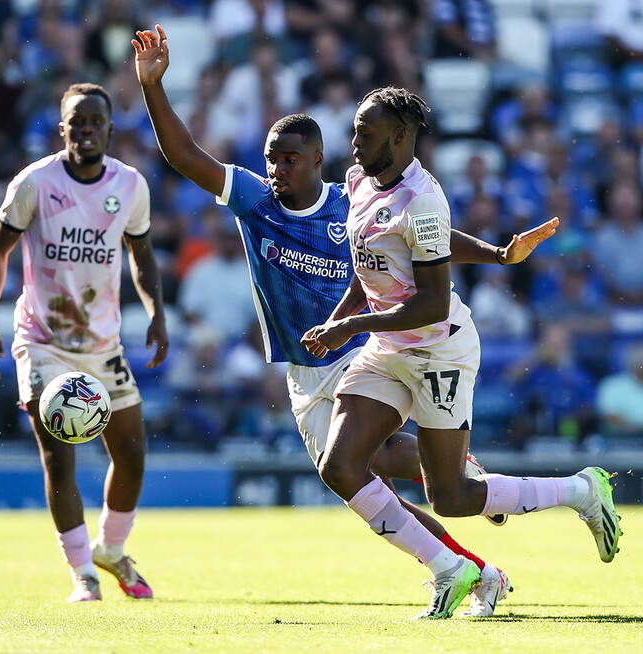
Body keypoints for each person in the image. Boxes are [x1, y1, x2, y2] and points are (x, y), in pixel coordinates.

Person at [133, 26, 557, 618]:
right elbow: (184, 156)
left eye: (290, 160)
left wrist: (497, 253)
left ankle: (459, 562)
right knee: (372, 469)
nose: (278, 170)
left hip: (358, 351)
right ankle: (466, 518)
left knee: (350, 472)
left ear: (316, 161)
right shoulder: (253, 202)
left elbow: (426, 243)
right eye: (271, 160)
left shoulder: (349, 202)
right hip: (305, 369)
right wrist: (154, 87)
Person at [300, 86, 622, 620]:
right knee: (340, 465)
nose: (353, 142)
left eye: (366, 132)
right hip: (386, 347)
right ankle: (450, 570)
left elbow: (428, 303)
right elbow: (376, 263)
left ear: (399, 137)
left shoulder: (422, 198)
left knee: (448, 496)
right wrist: (339, 323)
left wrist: (350, 326)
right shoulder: (360, 183)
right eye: (355, 130)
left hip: (437, 352)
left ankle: (580, 490)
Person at [0, 82, 169, 604]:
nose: (86, 130)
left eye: (95, 122)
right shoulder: (35, 183)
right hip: (41, 339)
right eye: (76, 122)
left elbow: (141, 253)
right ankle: (82, 573)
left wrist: (155, 314)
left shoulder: (130, 185)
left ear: (110, 128)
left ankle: (111, 548)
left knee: (131, 453)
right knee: (59, 455)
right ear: (62, 129)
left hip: (103, 343)